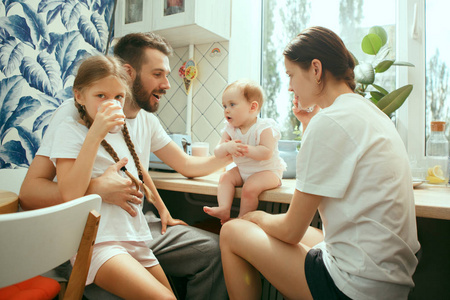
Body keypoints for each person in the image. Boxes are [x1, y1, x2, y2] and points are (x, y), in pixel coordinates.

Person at [19, 32, 231, 300]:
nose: (167, 84)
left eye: (118, 96)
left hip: (134, 227)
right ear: (129, 72)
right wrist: (97, 188)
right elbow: (31, 194)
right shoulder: (73, 118)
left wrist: (231, 154)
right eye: (157, 74)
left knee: (213, 251)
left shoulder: (142, 122)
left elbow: (179, 165)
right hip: (94, 232)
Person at [219, 26, 420, 300]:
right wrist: (307, 123)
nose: (289, 85)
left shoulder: (329, 121)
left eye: (291, 75)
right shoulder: (370, 114)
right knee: (314, 234)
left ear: (315, 69)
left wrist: (255, 217)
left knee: (233, 230)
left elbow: (290, 231)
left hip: (354, 287)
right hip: (389, 281)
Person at [51, 54, 184, 299]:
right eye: (101, 96)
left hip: (133, 238)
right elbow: (70, 193)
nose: (110, 103)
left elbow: (139, 173)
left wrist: (163, 209)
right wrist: (95, 134)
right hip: (97, 243)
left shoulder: (123, 133)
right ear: (79, 96)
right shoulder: (69, 131)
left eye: (118, 97)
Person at [203, 79, 286, 223]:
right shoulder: (231, 129)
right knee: (225, 178)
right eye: (224, 106)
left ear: (253, 107)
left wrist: (246, 149)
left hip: (268, 172)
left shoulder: (264, 127)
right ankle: (224, 208)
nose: (226, 110)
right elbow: (217, 152)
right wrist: (226, 147)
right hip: (243, 171)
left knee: (249, 188)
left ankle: (243, 219)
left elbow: (266, 152)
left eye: (232, 104)